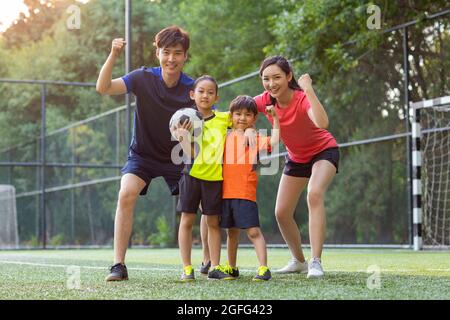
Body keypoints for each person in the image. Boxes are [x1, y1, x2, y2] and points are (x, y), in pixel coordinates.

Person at [96, 25, 194, 281]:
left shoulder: (193, 88)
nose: (171, 58)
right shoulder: (142, 78)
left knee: (204, 200)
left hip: (178, 157)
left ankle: (208, 262)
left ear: (185, 56)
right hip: (143, 155)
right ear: (158, 53)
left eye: (177, 52)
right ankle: (118, 265)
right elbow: (103, 87)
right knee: (126, 193)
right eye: (166, 52)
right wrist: (113, 55)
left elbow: (211, 119)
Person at [253, 55, 339, 279]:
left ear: (288, 76)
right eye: (266, 79)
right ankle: (298, 261)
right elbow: (237, 111)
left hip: (323, 151)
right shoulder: (264, 101)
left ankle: (315, 262)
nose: (271, 84)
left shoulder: (301, 98)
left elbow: (322, 123)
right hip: (297, 158)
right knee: (281, 212)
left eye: (277, 78)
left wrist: (308, 89)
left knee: (315, 193)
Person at [172, 75, 231, 281]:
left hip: (214, 178)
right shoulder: (185, 120)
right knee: (187, 220)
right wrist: (182, 137)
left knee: (213, 223)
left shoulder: (224, 118)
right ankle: (187, 268)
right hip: (191, 176)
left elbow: (245, 114)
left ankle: (215, 266)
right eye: (201, 91)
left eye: (210, 92)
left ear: (216, 97)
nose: (205, 95)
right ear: (192, 95)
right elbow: (191, 153)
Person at [220, 95, 280, 281]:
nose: (242, 118)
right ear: (231, 116)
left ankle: (263, 268)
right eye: (238, 114)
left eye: (247, 114)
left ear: (254, 118)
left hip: (245, 193)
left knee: (253, 232)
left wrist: (276, 119)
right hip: (225, 193)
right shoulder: (224, 136)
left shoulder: (255, 137)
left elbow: (275, 141)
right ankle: (232, 268)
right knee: (231, 232)